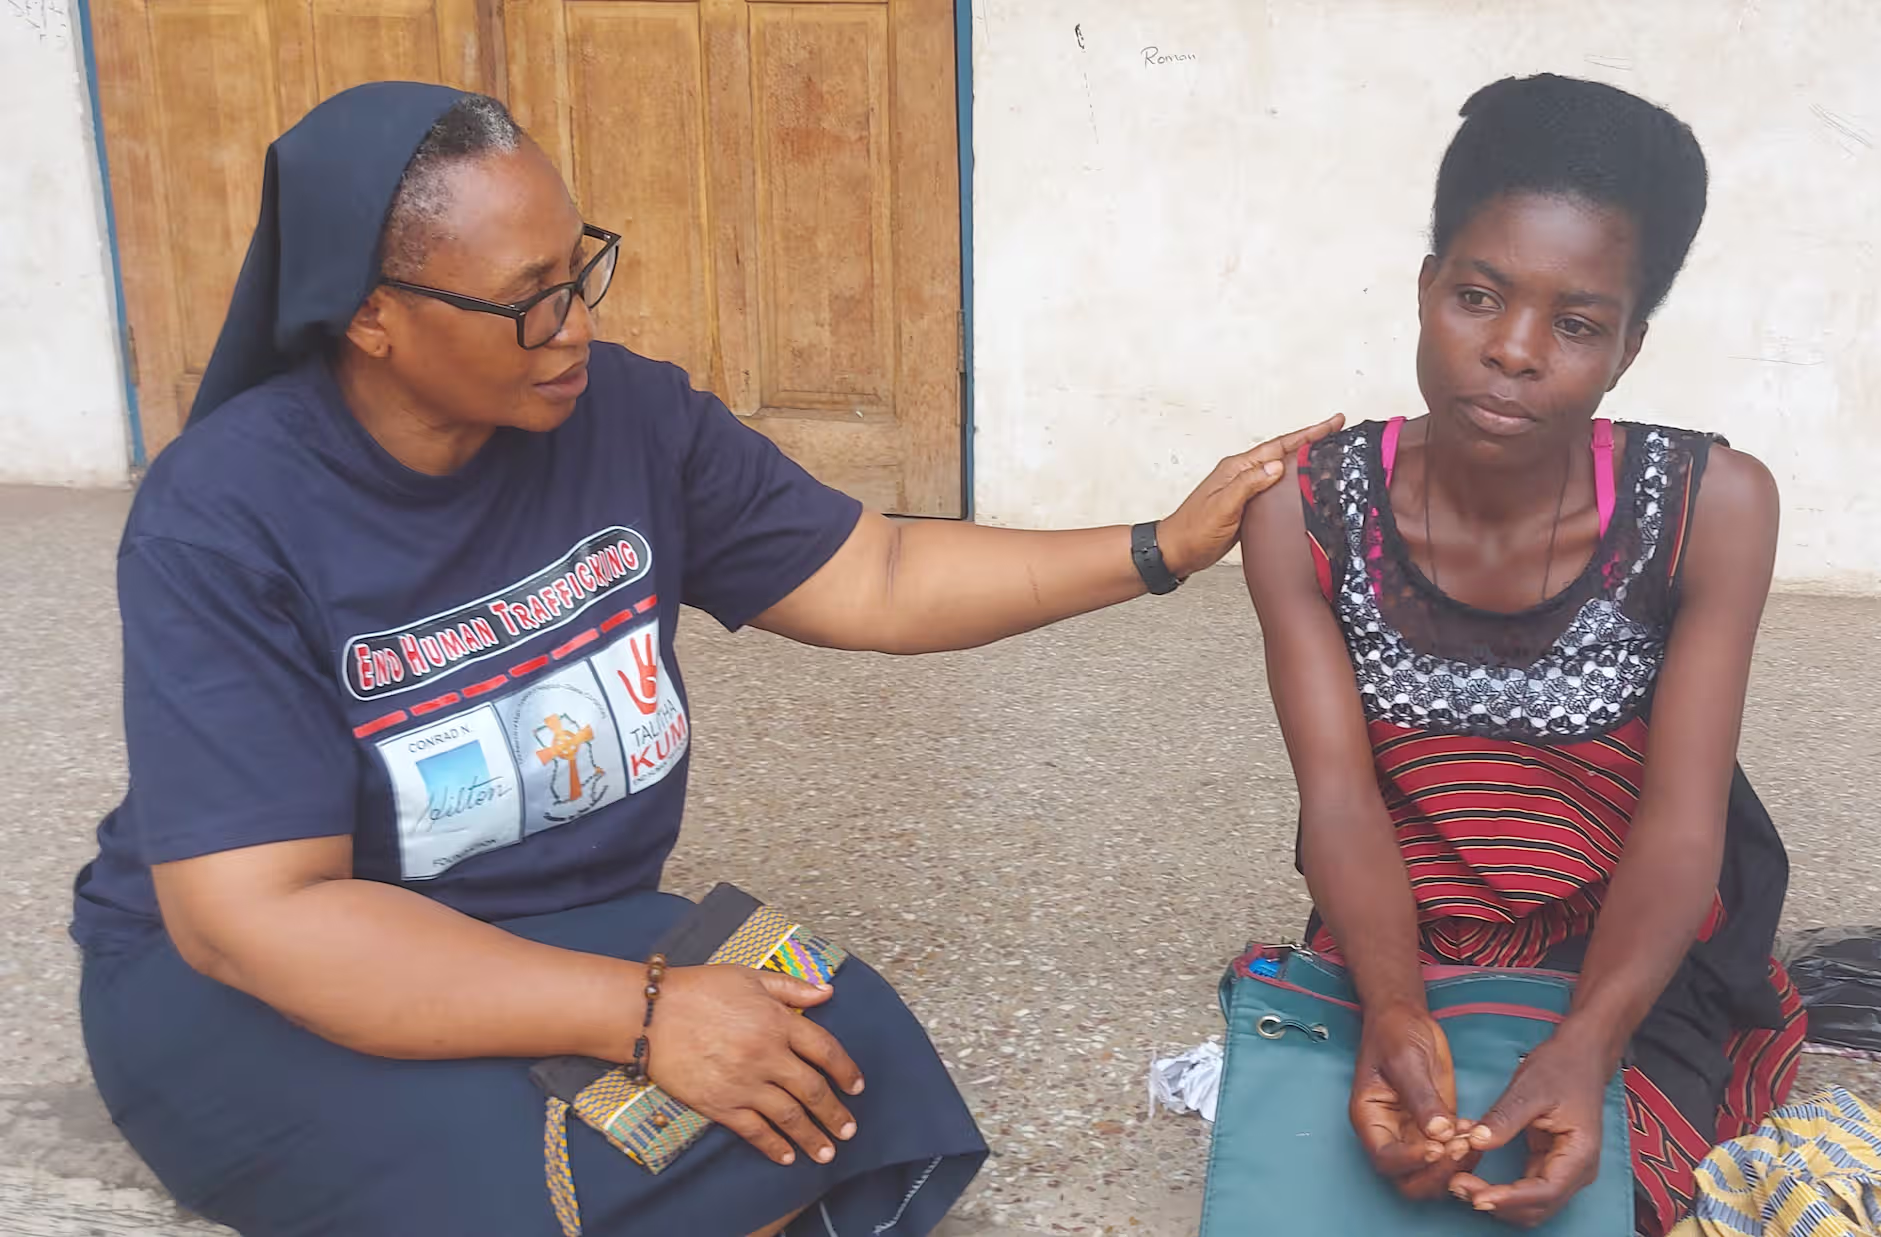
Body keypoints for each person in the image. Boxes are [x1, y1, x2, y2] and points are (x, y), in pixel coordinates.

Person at [70, 82, 1338, 1237]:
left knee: (847, 1043)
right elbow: (264, 917)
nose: (571, 326)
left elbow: (877, 574)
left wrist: (1159, 546)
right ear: (370, 319)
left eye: (581, 272)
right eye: (527, 299)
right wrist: (638, 1014)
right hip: (261, 976)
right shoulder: (224, 518)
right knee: (528, 1182)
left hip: (553, 918)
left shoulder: (624, 414)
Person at [1239, 74, 1804, 1234]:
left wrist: (1589, 1041)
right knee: (1363, 1173)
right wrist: (1391, 1009)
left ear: (1629, 346)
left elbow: (1682, 824)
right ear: (1423, 288)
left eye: (1576, 322)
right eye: (1477, 295)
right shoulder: (1303, 513)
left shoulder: (1713, 506)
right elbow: (1338, 801)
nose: (1511, 350)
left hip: (1625, 937)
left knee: (1605, 1195)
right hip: (1401, 919)